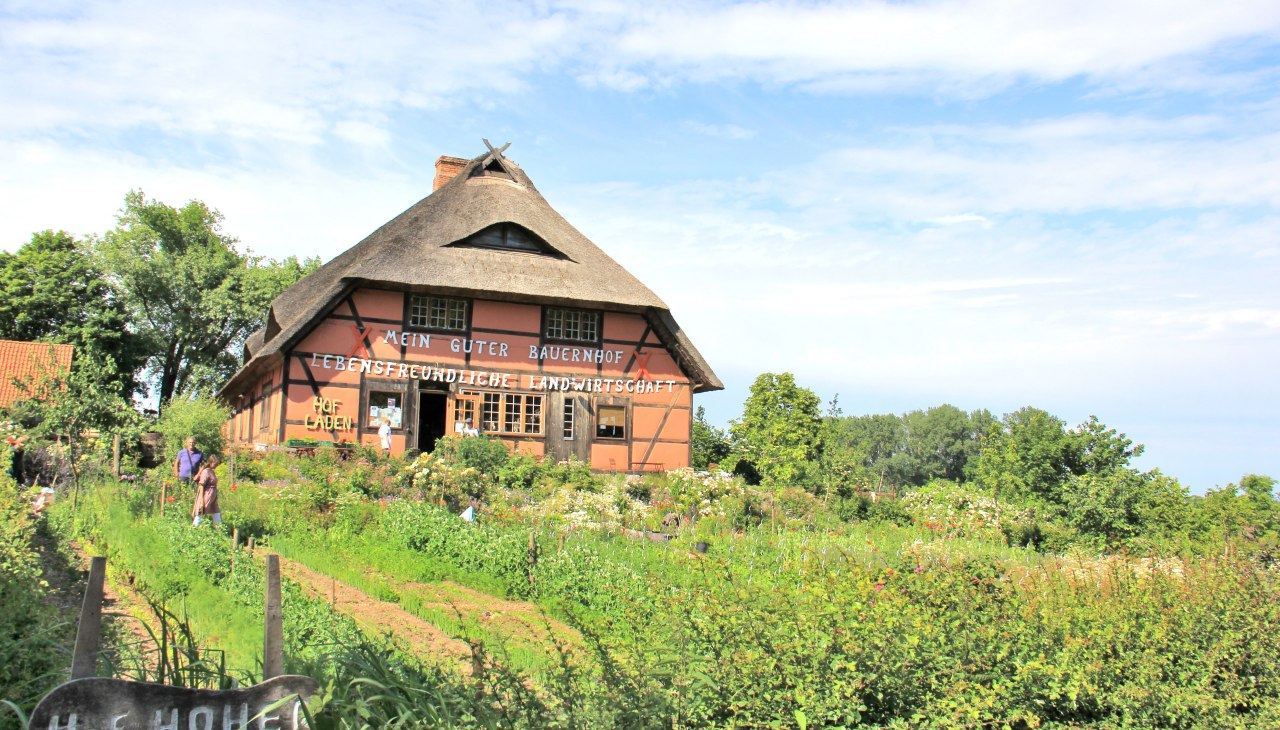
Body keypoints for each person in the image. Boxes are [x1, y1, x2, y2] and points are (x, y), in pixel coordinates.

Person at [192, 454, 221, 526]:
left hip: (213, 495)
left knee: (216, 511)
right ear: (210, 462)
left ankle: (219, 528)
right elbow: (201, 485)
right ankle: (195, 527)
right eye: (215, 463)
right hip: (207, 495)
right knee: (202, 510)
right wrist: (201, 500)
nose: (216, 465)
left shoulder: (212, 471)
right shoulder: (206, 471)